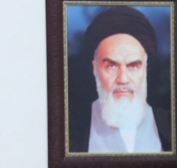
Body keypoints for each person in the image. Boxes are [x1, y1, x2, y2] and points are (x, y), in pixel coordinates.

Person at [68, 6, 170, 153]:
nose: (123, 79)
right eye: (111, 66)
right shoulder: (70, 127)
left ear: (145, 69)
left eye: (133, 66)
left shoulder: (171, 125)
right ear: (95, 68)